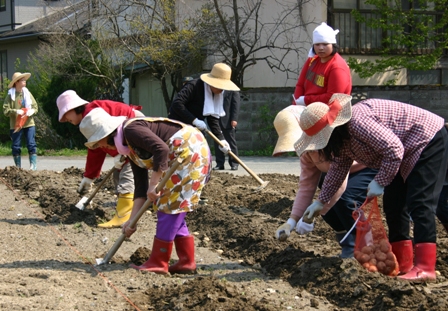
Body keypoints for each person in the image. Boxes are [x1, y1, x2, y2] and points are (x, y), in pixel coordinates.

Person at [295, 93, 448, 282]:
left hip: (425, 140)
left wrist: (380, 180)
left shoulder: (358, 123)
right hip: (400, 154)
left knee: (419, 202)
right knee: (394, 206)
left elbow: (394, 149)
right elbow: (338, 169)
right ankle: (403, 262)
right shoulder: (341, 141)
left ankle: (425, 267)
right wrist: (321, 201)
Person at [78, 108, 211, 274]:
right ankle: (186, 261)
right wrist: (131, 221)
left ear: (107, 132)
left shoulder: (130, 130)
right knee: (174, 207)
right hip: (182, 153)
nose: (100, 146)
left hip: (189, 150)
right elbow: (140, 189)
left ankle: (159, 261)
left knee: (168, 207)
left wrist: (154, 184)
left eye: (98, 141)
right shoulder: (129, 149)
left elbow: (161, 149)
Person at [273, 105, 376, 258]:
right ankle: (348, 244)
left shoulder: (332, 142)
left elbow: (339, 181)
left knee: (344, 199)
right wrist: (292, 221)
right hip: (339, 175)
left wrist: (316, 209)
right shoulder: (307, 153)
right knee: (328, 209)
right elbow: (307, 185)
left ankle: (366, 246)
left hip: (366, 167)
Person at [56, 90, 144, 228]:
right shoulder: (86, 120)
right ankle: (130, 207)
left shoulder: (91, 114)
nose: (66, 119)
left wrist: (122, 151)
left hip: (132, 125)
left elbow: (114, 131)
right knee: (118, 173)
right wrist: (89, 177)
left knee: (126, 172)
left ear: (74, 108)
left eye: (66, 114)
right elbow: (96, 149)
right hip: (123, 136)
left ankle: (123, 216)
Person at [169, 63, 240, 157]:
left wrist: (221, 139)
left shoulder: (217, 94)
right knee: (181, 156)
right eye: (220, 86)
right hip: (179, 125)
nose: (222, 90)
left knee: (200, 154)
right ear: (212, 82)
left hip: (196, 127)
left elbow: (212, 117)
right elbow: (177, 103)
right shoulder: (193, 86)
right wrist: (194, 120)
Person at [292, 22, 351, 106]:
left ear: (333, 45)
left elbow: (333, 98)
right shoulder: (312, 60)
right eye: (317, 44)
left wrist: (306, 100)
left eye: (325, 44)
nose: (321, 48)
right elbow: (300, 85)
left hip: (329, 112)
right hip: (307, 106)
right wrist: (296, 104)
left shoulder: (337, 67)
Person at [3, 72, 39, 170]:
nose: (24, 81)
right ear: (17, 82)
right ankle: (17, 167)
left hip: (29, 123)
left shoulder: (27, 93)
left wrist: (31, 111)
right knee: (16, 146)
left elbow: (35, 107)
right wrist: (15, 111)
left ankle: (33, 165)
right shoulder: (10, 95)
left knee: (31, 144)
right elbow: (5, 111)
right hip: (16, 125)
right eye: (22, 80)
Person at [213, 91, 240, 171]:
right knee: (217, 142)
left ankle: (234, 163)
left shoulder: (233, 90)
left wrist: (234, 119)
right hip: (216, 119)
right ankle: (220, 163)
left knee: (231, 142)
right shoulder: (216, 89)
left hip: (228, 120)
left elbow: (236, 105)